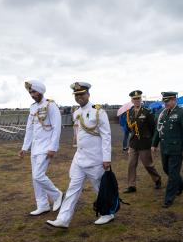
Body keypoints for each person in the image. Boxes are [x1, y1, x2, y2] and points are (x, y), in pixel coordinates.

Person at [47, 82, 113, 228]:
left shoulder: (98, 112)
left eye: (82, 94)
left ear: (88, 94)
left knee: (99, 188)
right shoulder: (76, 113)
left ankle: (107, 213)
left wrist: (107, 158)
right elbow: (79, 136)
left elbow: (106, 136)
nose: (79, 97)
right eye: (77, 95)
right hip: (80, 158)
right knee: (72, 189)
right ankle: (63, 219)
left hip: (95, 159)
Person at [18, 80, 63, 216]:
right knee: (35, 177)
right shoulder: (32, 107)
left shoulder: (51, 105)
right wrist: (25, 148)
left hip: (46, 146)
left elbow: (56, 127)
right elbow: (29, 129)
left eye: (34, 91)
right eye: (30, 92)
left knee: (38, 175)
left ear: (41, 91)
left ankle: (57, 195)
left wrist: (53, 147)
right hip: (35, 147)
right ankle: (42, 204)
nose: (32, 95)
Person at [152, 92, 183, 208]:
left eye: (167, 101)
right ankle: (181, 184)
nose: (166, 103)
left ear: (174, 100)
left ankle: (169, 198)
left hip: (176, 148)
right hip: (165, 148)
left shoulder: (182, 113)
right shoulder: (163, 113)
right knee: (166, 169)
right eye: (165, 101)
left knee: (173, 173)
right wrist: (154, 144)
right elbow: (159, 130)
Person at [124, 90, 162, 193]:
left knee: (147, 164)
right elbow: (129, 128)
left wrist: (153, 142)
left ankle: (157, 179)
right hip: (133, 143)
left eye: (138, 99)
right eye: (134, 99)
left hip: (144, 143)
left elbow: (153, 128)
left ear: (141, 99)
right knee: (131, 164)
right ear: (132, 100)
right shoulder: (130, 112)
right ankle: (131, 185)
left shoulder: (147, 112)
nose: (136, 101)